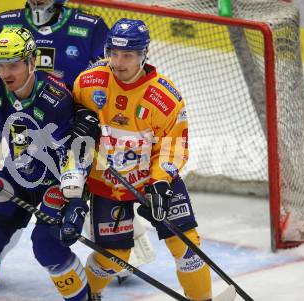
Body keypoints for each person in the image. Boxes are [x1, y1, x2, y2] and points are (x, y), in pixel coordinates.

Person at [68, 18, 213, 300]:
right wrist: (76, 121)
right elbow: (68, 129)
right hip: (107, 184)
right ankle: (88, 296)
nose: (119, 63)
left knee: (187, 246)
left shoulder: (164, 97)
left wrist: (160, 182)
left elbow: (174, 146)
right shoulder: (88, 83)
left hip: (153, 181)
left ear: (143, 54)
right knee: (113, 257)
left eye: (128, 56)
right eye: (114, 53)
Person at [0, 26, 100, 301]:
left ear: (31, 61)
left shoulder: (54, 98)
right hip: (18, 173)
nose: (6, 72)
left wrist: (74, 197)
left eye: (13, 64)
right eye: (0, 64)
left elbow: (74, 151)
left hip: (56, 180)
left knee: (47, 245)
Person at [0, 0, 109, 89]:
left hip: (69, 116)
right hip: (14, 110)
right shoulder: (5, 23)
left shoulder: (91, 27)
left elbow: (108, 76)